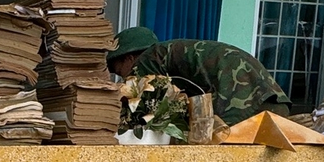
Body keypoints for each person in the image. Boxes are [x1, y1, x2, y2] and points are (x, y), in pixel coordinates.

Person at [108, 27, 290, 124]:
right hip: (268, 96)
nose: (123, 80)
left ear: (130, 58)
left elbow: (143, 105)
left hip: (240, 95)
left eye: (119, 72)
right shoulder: (167, 54)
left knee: (217, 145)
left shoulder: (148, 59)